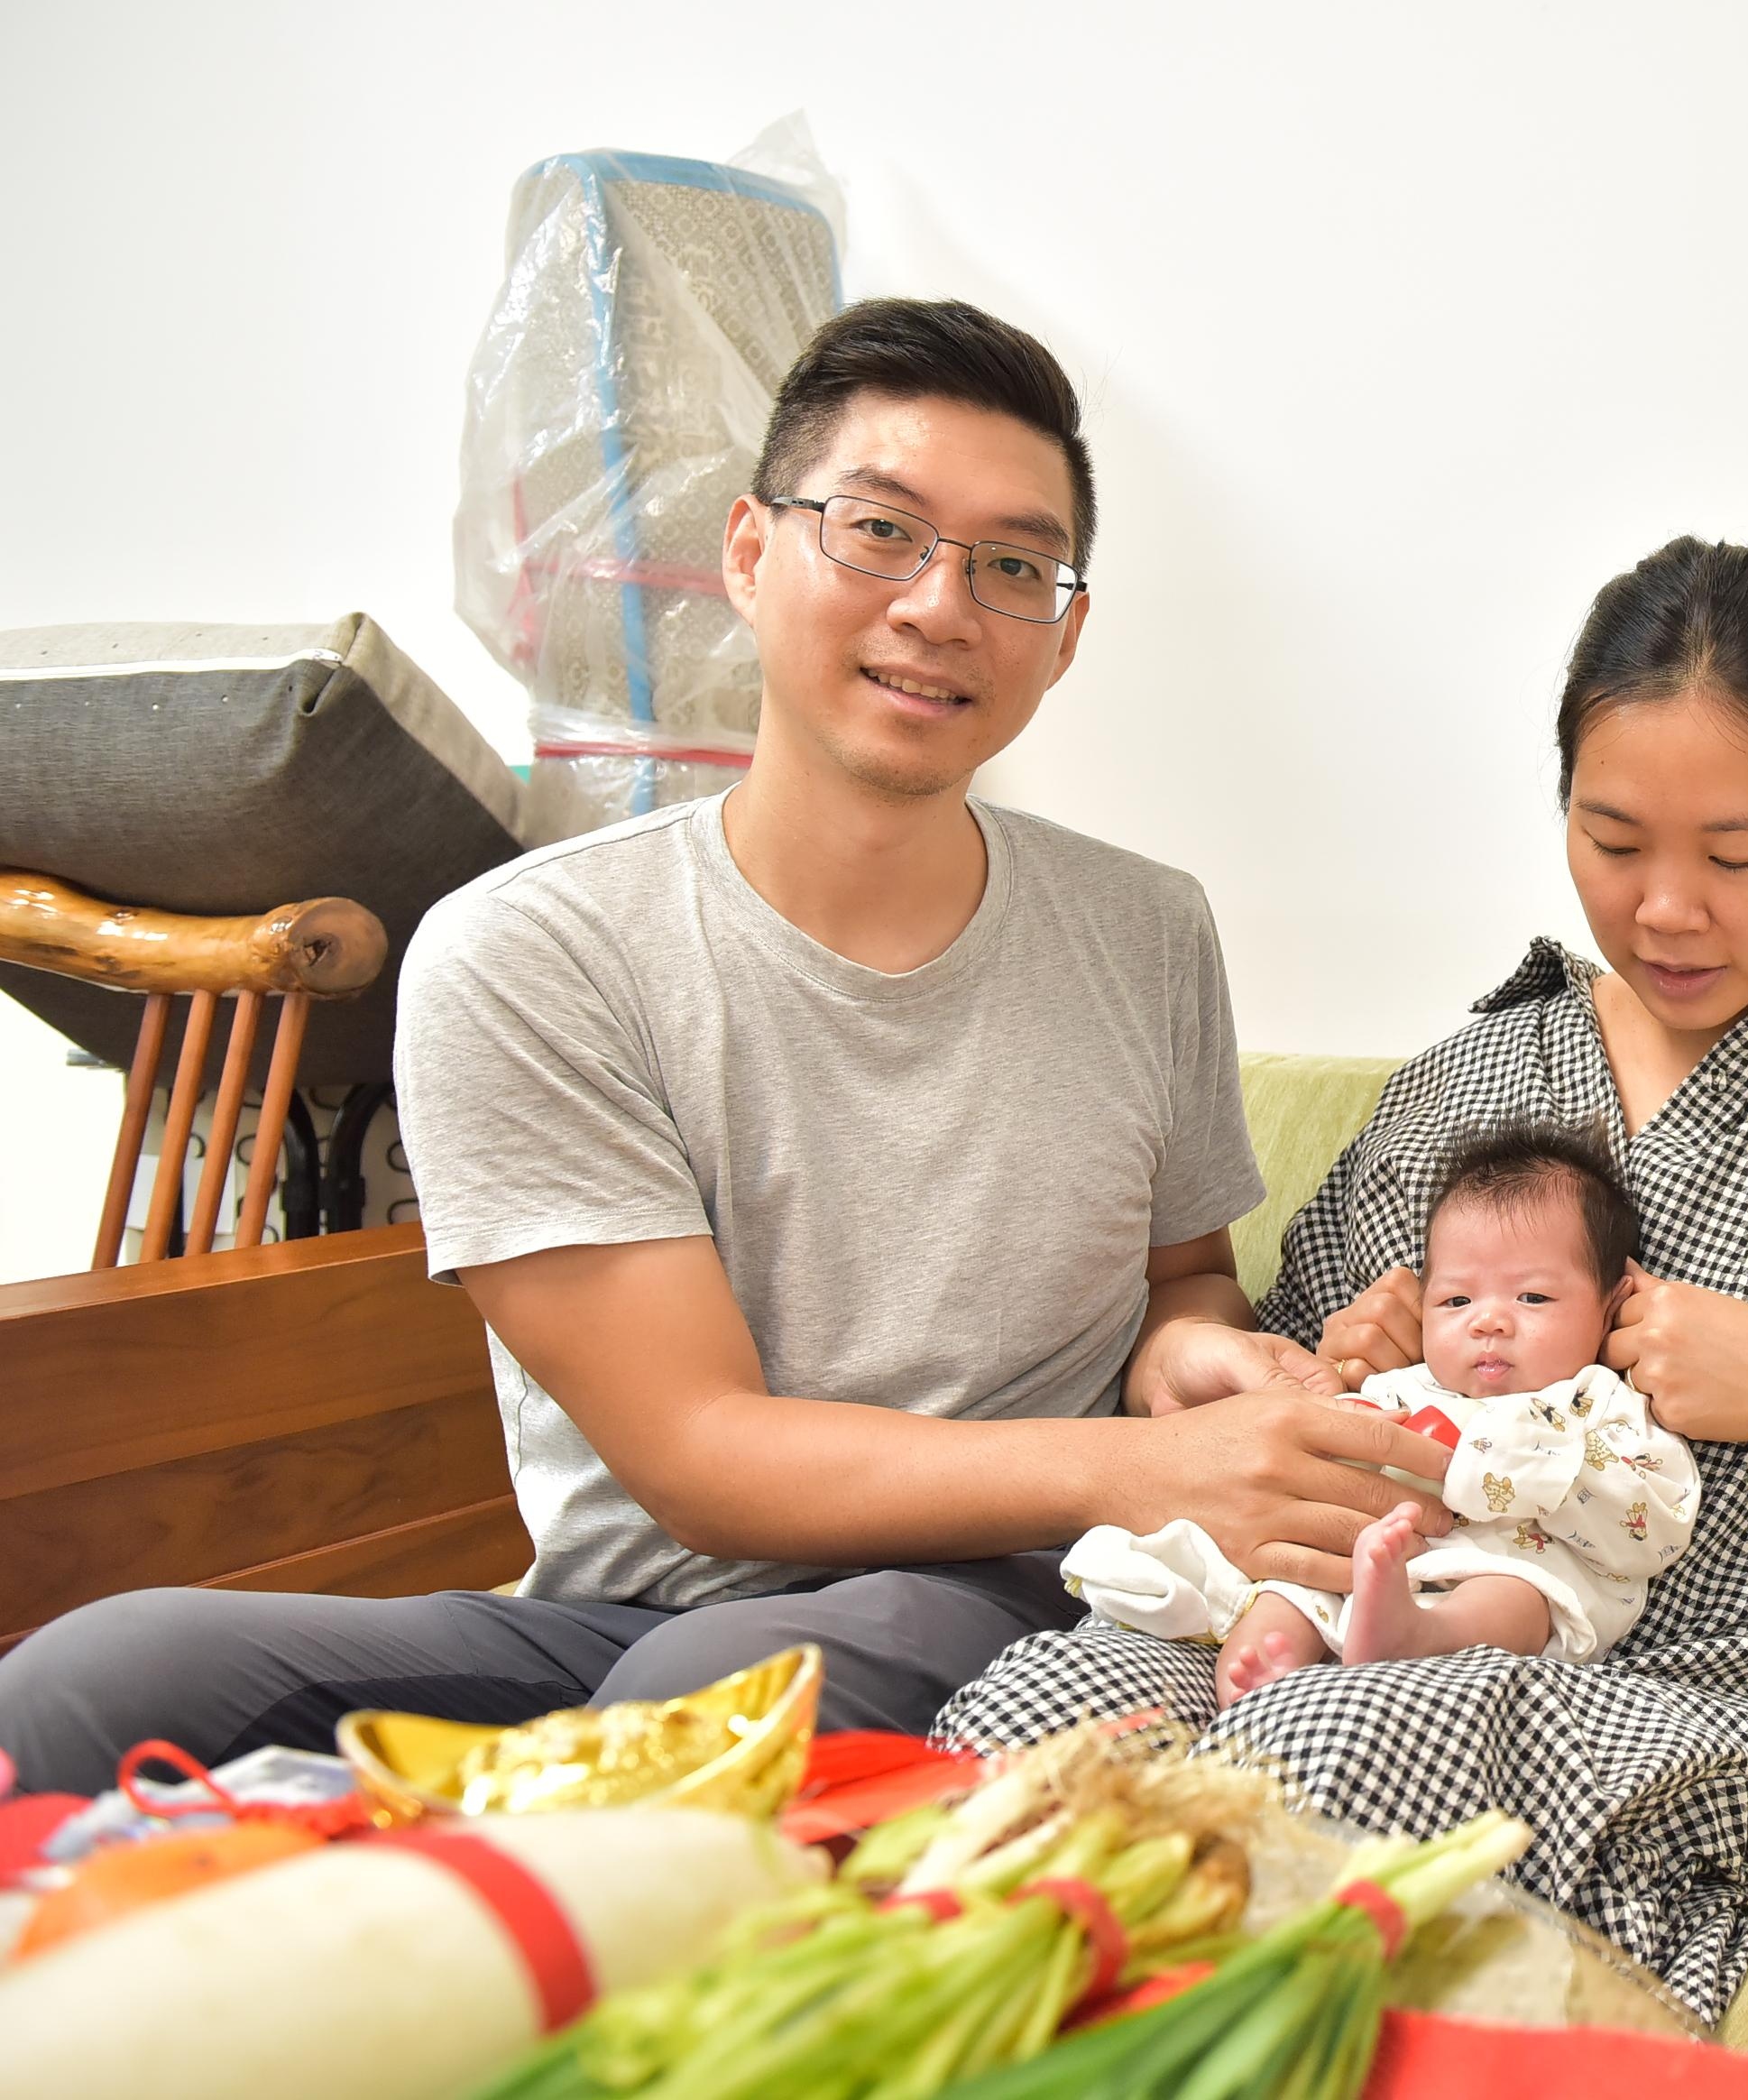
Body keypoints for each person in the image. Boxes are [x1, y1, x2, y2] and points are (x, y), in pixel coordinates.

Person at [0, 299, 1449, 1790]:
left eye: (1013, 566)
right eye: (882, 531)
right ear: (751, 557)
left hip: (1004, 1580)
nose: (943, 605)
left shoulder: (1145, 929)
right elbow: (700, 1455)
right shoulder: (531, 954)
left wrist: (1197, 1350)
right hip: (622, 1614)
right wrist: (1156, 1471)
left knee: (710, 1694)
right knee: (89, 1682)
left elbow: (1180, 1272)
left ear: (1063, 631)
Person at [936, 535, 1748, 2015]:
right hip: (1361, 1614)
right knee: (1040, 1712)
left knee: (1332, 1759)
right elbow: (1267, 1425)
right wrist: (1332, 1363)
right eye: (1614, 842)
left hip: (1746, 1710)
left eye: (1736, 855)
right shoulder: (1465, 1085)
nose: (1668, 907)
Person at [1063, 1119, 1701, 1704]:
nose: (1487, 1321)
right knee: (1296, 1575)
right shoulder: (1402, 1388)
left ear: (1613, 1304)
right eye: (1454, 1300)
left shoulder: (1602, 1405)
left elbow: (1652, 1527)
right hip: (1362, 1564)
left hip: (1509, 1576)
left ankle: (1422, 1637)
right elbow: (1309, 1459)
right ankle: (1263, 1656)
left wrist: (1498, 1462)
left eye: (1532, 1296)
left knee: (1515, 1599)